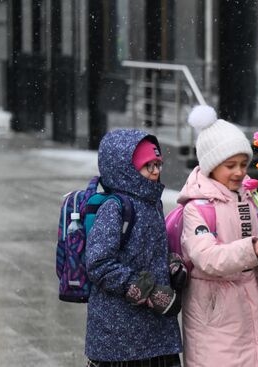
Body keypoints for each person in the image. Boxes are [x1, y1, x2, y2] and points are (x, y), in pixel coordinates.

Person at [178, 105, 258, 367]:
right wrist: (252, 250)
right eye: (230, 165)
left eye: (244, 164)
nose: (240, 172)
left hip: (251, 309)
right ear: (211, 166)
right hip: (214, 314)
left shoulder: (248, 199)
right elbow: (207, 258)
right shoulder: (197, 209)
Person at [85, 129, 183, 366]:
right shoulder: (114, 208)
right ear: (124, 169)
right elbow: (98, 263)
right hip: (120, 337)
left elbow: (148, 251)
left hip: (156, 330)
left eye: (158, 163)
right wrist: (142, 289)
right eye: (148, 165)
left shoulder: (152, 203)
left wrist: (171, 265)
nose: (156, 171)